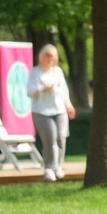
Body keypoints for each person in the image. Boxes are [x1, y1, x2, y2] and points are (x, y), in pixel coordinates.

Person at [26, 44, 76, 181]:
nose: (49, 59)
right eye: (46, 56)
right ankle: (48, 167)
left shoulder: (58, 72)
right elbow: (29, 92)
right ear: (41, 57)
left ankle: (58, 166)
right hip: (41, 111)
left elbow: (64, 91)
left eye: (52, 56)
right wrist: (43, 90)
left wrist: (69, 106)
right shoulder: (35, 72)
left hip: (59, 110)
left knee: (61, 137)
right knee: (50, 138)